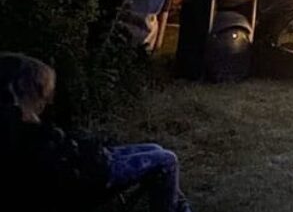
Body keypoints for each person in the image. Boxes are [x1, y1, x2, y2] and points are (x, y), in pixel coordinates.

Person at [0, 53, 192, 212]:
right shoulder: (26, 131)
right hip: (88, 180)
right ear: (26, 89)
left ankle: (180, 207)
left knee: (155, 148)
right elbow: (61, 164)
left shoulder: (14, 122)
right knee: (167, 159)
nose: (46, 102)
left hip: (85, 167)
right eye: (43, 93)